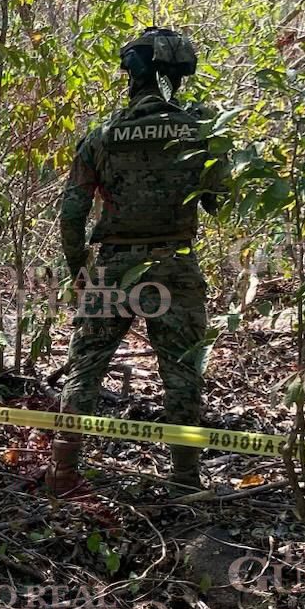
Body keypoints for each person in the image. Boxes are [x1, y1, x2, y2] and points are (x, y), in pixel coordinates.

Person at [52, 27, 229, 494]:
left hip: (111, 267)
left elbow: (71, 214)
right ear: (174, 72)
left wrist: (80, 273)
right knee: (181, 373)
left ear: (131, 71)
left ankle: (64, 472)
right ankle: (185, 481)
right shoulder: (200, 130)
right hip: (174, 264)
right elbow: (219, 200)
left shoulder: (103, 135)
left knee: (85, 367)